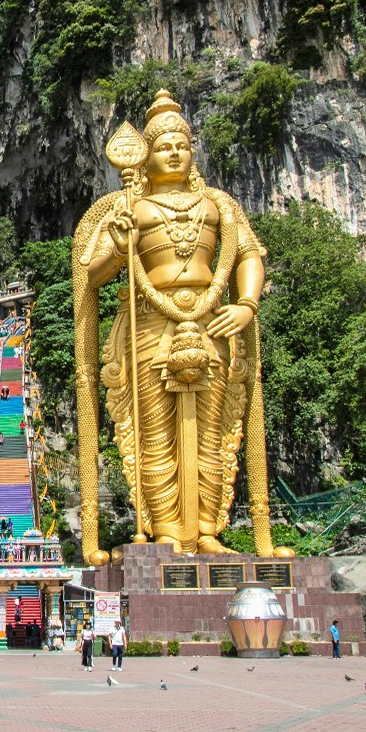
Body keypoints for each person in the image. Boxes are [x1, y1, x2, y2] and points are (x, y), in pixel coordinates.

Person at [73, 90, 277, 561]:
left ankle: (206, 530)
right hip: (150, 324)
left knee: (212, 432)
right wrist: (118, 245)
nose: (174, 153)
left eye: (182, 145)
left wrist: (246, 304)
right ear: (146, 156)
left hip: (211, 321)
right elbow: (93, 275)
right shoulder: (131, 208)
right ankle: (166, 530)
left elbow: (248, 255)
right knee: (155, 433)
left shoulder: (219, 205)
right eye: (164, 146)